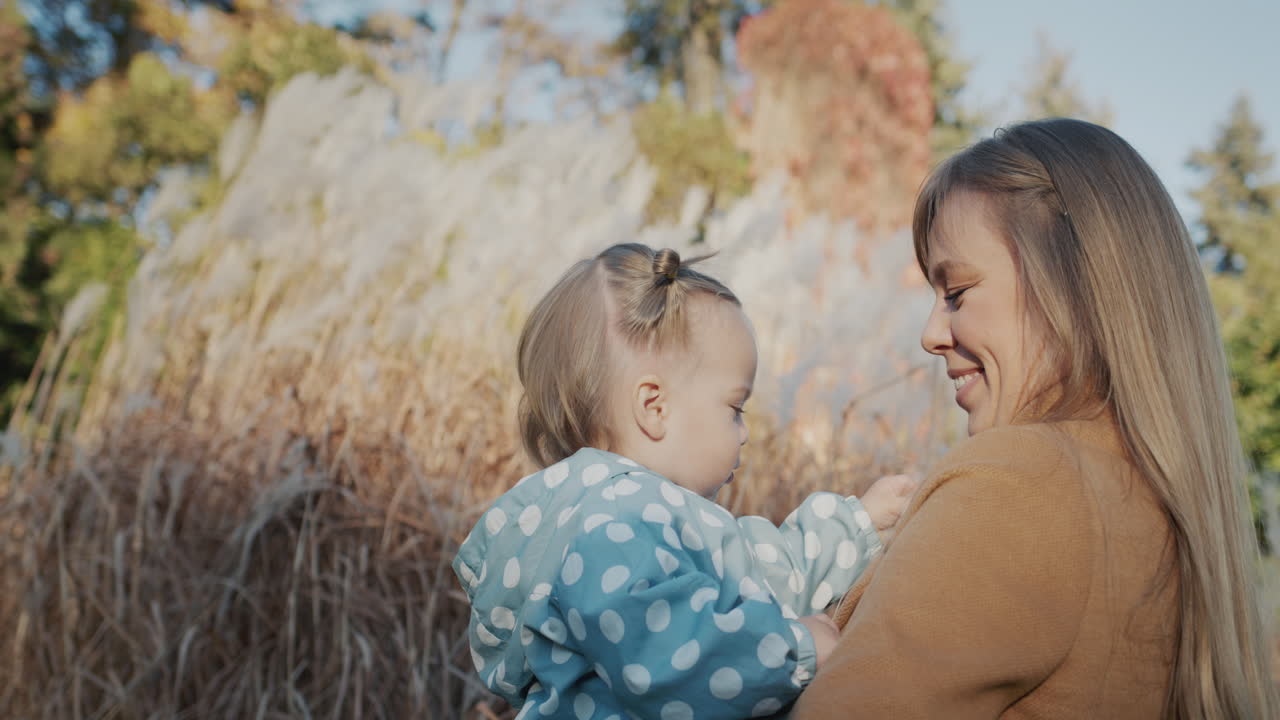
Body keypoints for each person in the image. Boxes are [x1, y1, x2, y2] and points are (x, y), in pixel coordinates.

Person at [791, 118, 1277, 719]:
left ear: (1073, 286)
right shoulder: (1154, 506)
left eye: (957, 292)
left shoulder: (1019, 483)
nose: (930, 335)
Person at [453, 243, 917, 719]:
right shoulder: (616, 525)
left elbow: (759, 581)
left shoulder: (645, 516)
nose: (746, 432)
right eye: (735, 408)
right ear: (655, 408)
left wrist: (856, 524)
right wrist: (796, 650)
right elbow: (668, 661)